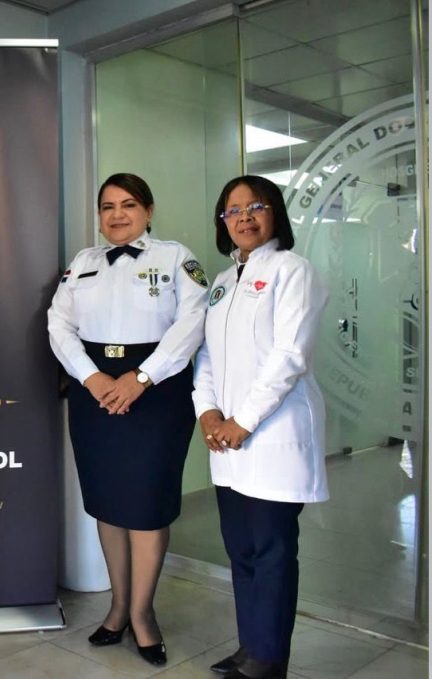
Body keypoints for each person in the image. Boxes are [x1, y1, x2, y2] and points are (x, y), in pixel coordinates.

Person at [47, 173, 208, 666]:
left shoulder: (176, 258)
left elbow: (192, 323)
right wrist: (91, 377)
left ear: (149, 211)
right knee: (109, 503)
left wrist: (141, 378)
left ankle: (143, 615)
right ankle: (117, 608)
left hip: (157, 392)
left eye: (129, 204)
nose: (117, 214)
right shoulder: (83, 262)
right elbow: (58, 323)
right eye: (108, 206)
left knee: (147, 505)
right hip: (94, 390)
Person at [193, 175, 329, 679]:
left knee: (271, 552)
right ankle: (251, 646)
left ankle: (269, 660)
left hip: (272, 435)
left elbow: (290, 355)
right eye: (233, 210)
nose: (244, 217)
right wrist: (207, 411)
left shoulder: (293, 271)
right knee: (241, 549)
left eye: (256, 206)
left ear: (275, 214)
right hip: (227, 438)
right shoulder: (221, 282)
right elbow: (207, 355)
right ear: (222, 221)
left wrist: (243, 421)